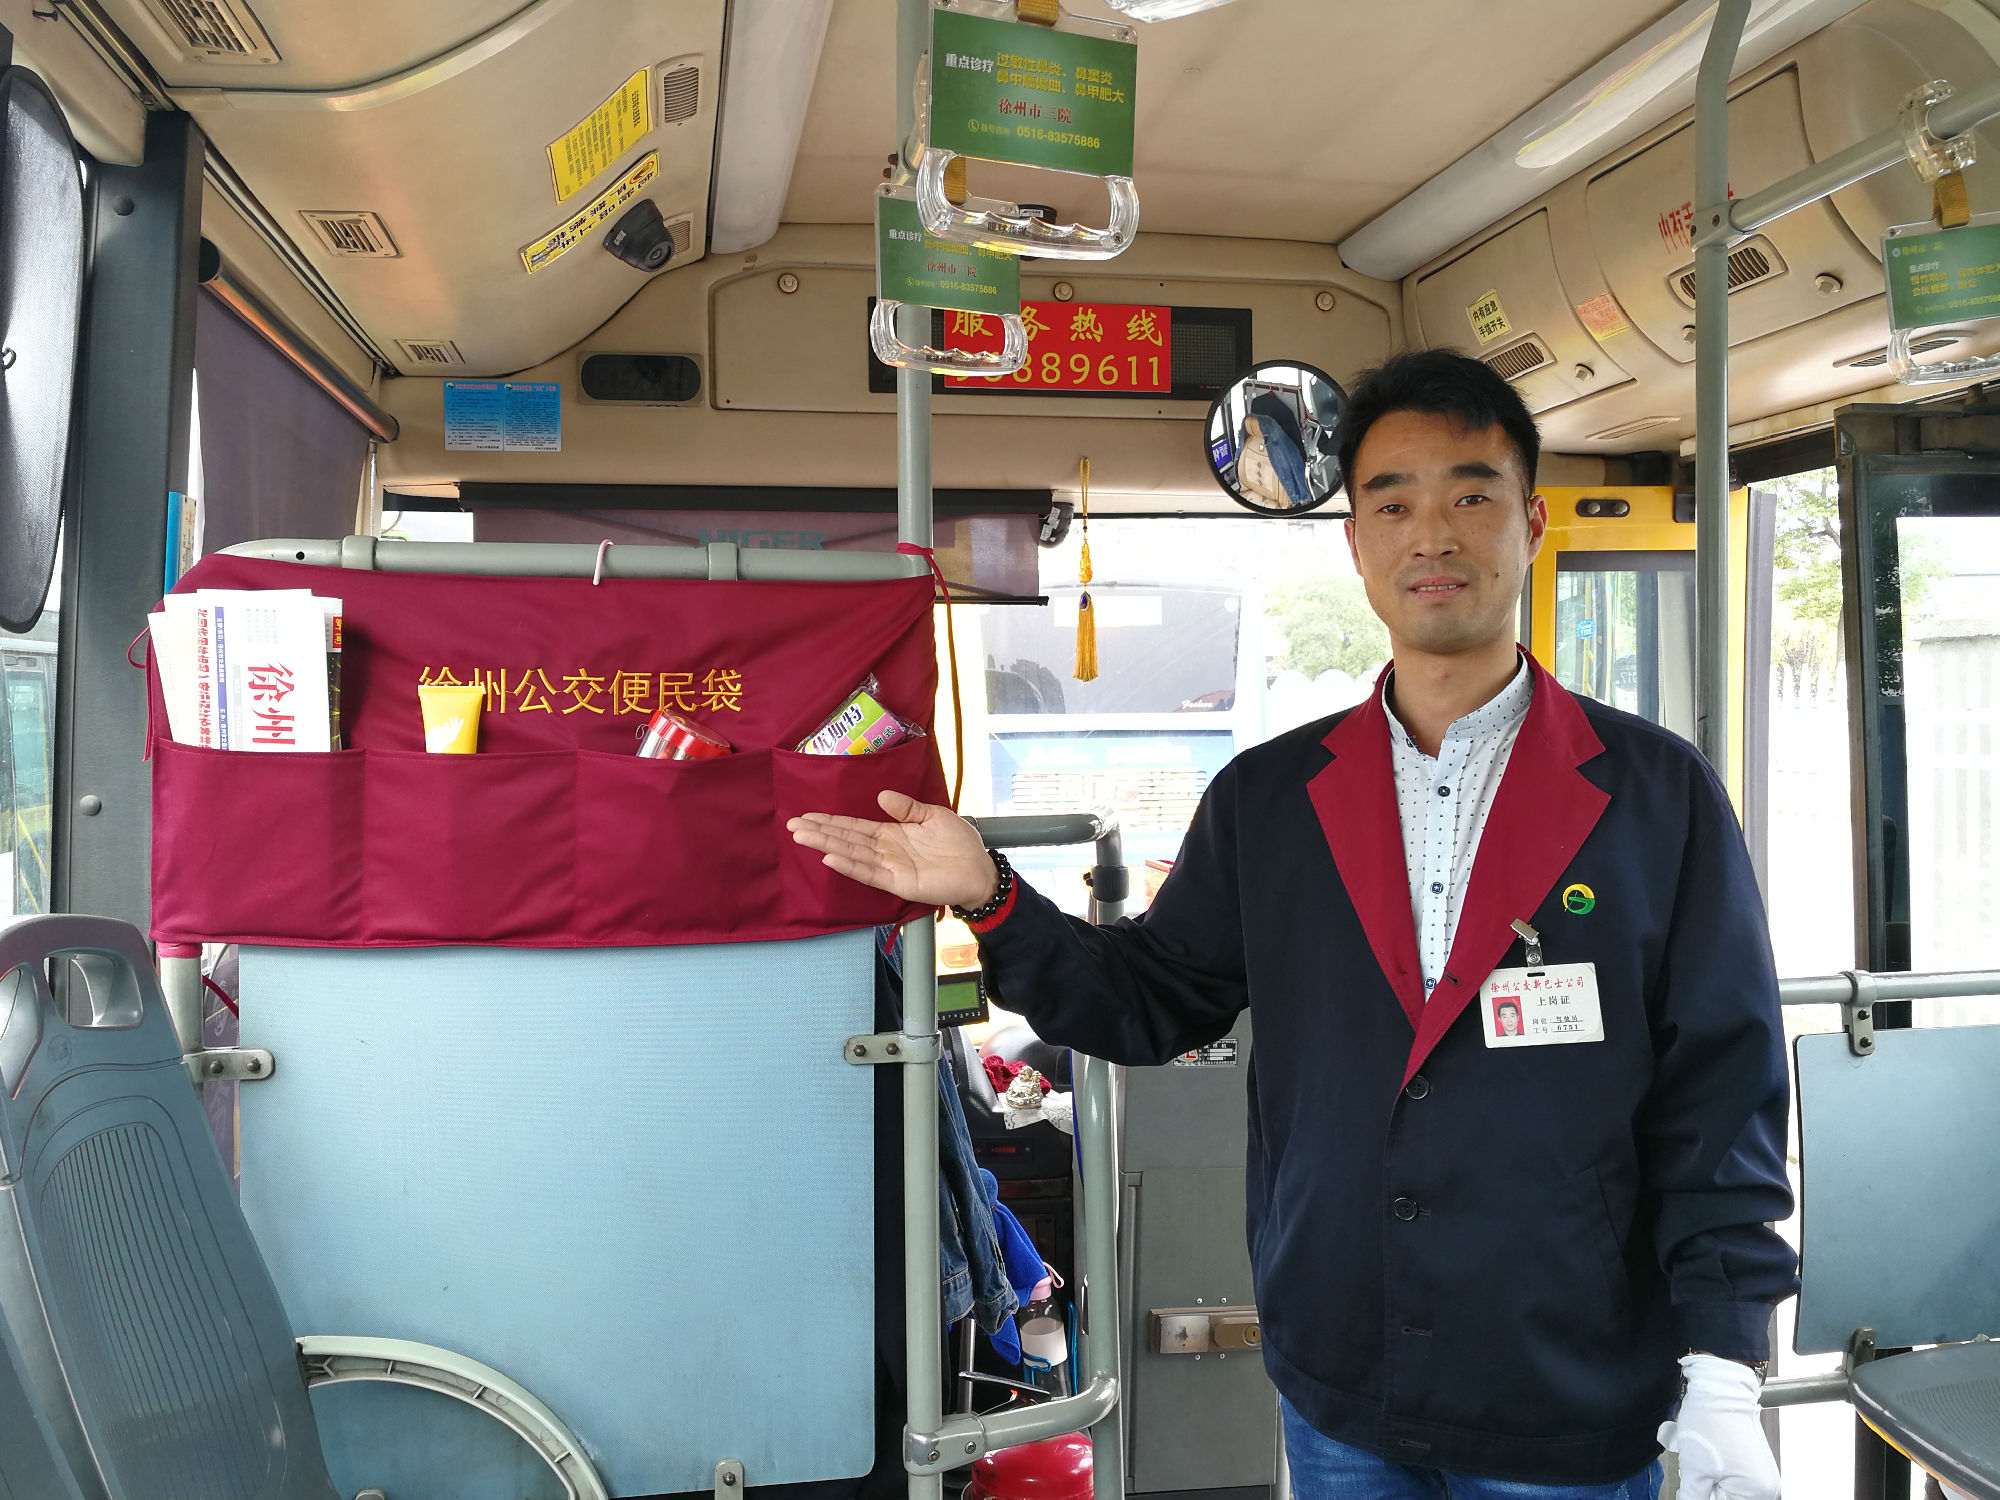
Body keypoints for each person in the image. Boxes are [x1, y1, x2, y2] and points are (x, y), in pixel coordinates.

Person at [790, 350, 1795, 1500]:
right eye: (1392, 504)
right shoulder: (1271, 801)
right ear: (1354, 544)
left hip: (1568, 1380)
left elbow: (1722, 1091)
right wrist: (991, 894)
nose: (1432, 535)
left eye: (1469, 496)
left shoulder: (1652, 797)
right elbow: (1147, 999)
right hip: (1342, 1376)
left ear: (1529, 521)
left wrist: (1723, 1359)